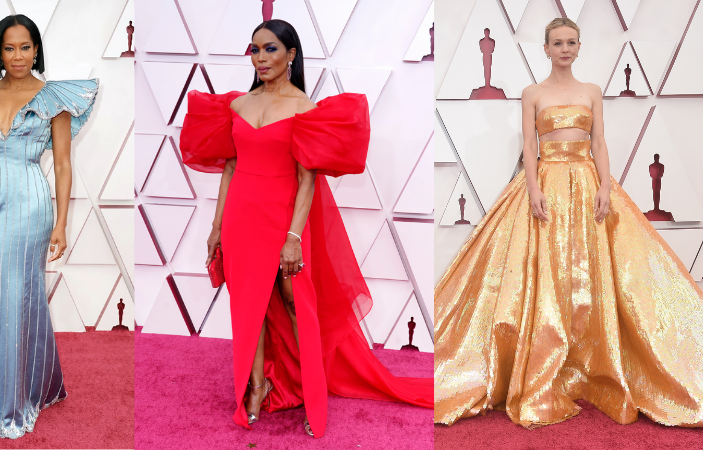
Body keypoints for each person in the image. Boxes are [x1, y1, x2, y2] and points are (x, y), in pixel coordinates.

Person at [434, 17, 703, 429]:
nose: (564, 48)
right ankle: (540, 365)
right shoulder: (531, 93)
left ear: (579, 47)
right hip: (545, 184)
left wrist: (606, 188)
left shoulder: (592, 91)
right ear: (546, 48)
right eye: (557, 42)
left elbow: (599, 142)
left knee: (598, 274)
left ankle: (596, 365)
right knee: (544, 275)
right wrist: (534, 188)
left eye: (571, 42)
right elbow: (528, 144)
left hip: (588, 181)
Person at [180, 19, 432, 438]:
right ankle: (256, 387)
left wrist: (294, 237)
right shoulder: (239, 105)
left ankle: (313, 394)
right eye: (255, 50)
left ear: (292, 55)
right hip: (241, 217)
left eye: (271, 50)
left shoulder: (306, 109)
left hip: (284, 218)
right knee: (249, 307)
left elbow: (307, 180)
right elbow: (230, 168)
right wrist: (216, 225)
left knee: (296, 303)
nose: (261, 58)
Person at [0, 14, 98, 442]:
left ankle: (15, 399)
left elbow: (63, 165)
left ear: (36, 49)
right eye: (9, 48)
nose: (17, 56)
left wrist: (61, 223)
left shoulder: (54, 98)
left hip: (29, 208)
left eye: (25, 47)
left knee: (19, 298)